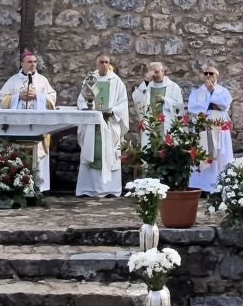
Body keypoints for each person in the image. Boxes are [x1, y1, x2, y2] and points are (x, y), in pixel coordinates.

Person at [0, 49, 58, 191]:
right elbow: (0, 100)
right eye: (29, 62)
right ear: (22, 64)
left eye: (35, 62)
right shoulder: (13, 80)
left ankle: (39, 186)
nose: (33, 64)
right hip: (18, 126)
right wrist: (18, 97)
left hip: (38, 125)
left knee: (38, 152)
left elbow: (53, 98)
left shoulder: (42, 81)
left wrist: (38, 96)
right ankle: (18, 186)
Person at [74, 54, 129, 198]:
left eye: (106, 62)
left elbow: (123, 103)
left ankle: (110, 188)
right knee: (91, 152)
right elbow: (81, 100)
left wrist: (112, 112)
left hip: (109, 124)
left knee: (109, 153)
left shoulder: (116, 82)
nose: (104, 65)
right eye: (101, 62)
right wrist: (89, 110)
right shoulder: (90, 80)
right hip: (93, 124)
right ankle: (88, 188)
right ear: (96, 63)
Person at [186, 64, 233, 192]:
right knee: (204, 158)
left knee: (220, 158)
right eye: (205, 73)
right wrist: (211, 104)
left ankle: (222, 185)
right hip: (204, 130)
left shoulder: (223, 91)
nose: (208, 76)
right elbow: (192, 107)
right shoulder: (196, 92)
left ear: (217, 76)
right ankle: (204, 186)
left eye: (211, 73)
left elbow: (225, 105)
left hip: (220, 131)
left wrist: (212, 93)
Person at [130, 61, 182, 127]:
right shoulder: (147, 86)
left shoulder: (173, 87)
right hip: (151, 126)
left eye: (157, 72)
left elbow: (179, 106)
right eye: (152, 73)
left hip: (167, 125)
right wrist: (146, 80)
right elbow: (137, 99)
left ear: (162, 71)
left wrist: (165, 100)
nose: (154, 75)